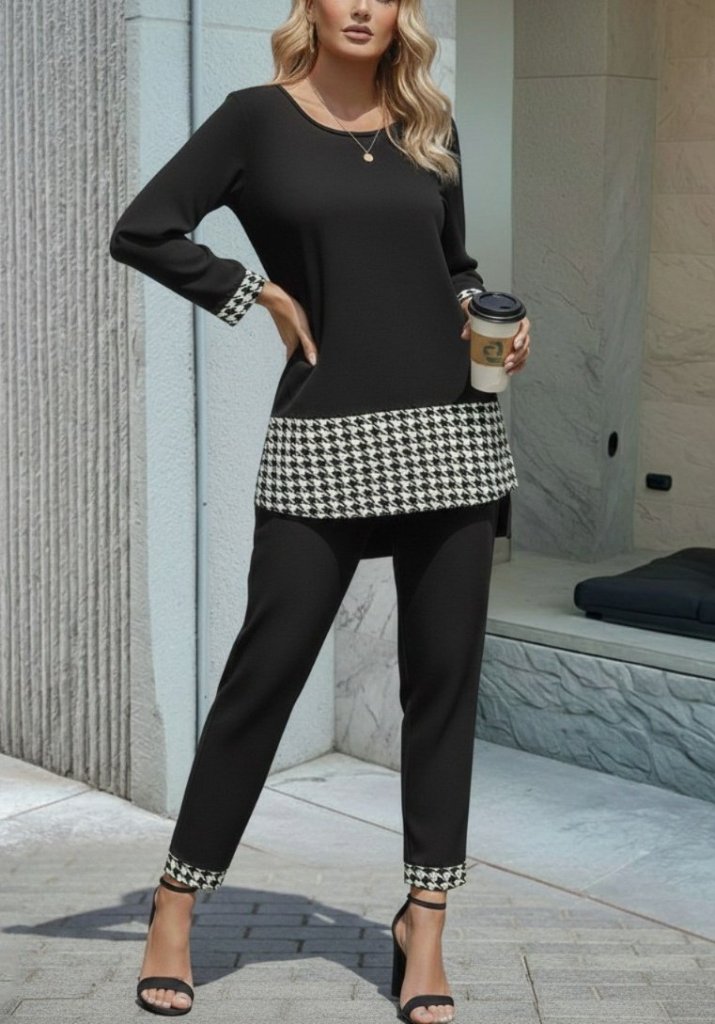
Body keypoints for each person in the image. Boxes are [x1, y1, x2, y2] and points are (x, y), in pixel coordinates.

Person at [109, 0, 531, 1019]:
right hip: (324, 432)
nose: (363, 7)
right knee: (265, 670)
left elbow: (455, 266)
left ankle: (424, 923)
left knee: (442, 684)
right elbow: (143, 229)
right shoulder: (253, 120)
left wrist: (493, 321)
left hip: (451, 431)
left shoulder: (429, 120)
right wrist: (253, 293)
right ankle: (175, 905)